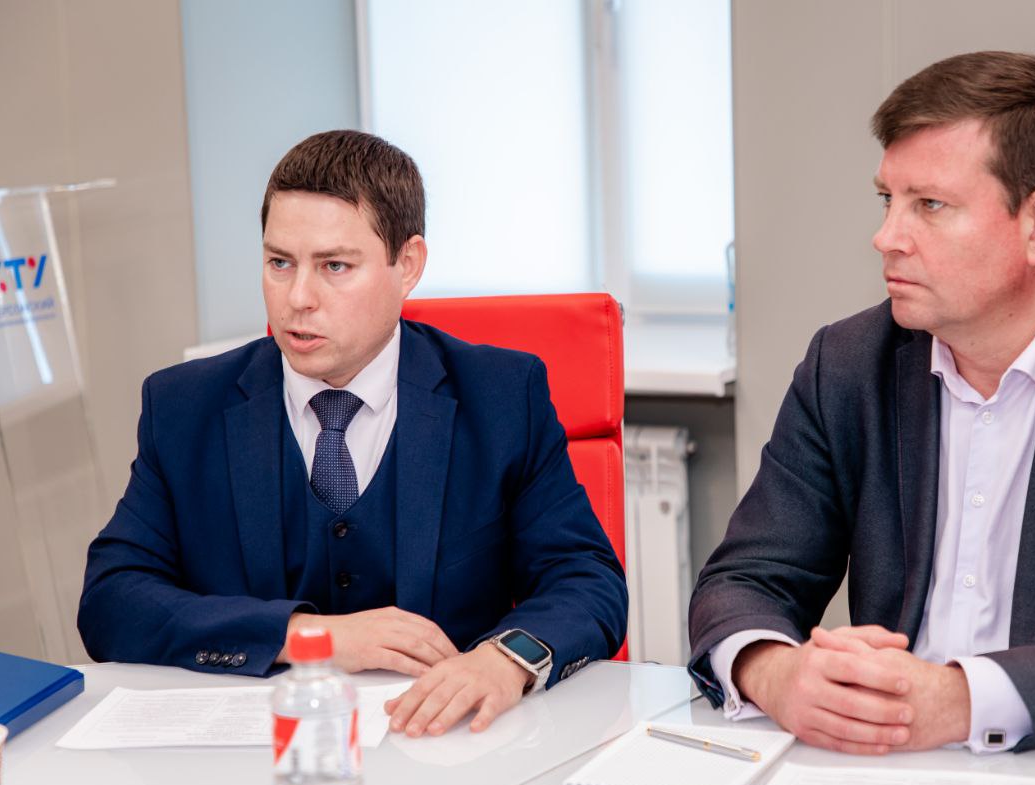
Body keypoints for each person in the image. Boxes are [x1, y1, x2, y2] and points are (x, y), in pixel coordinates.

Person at [688, 51, 1035, 754]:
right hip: (878, 770)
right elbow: (744, 578)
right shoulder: (847, 365)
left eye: (929, 205)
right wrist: (776, 672)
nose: (886, 237)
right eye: (887, 199)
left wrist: (966, 699)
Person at [79, 130, 627, 736]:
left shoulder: (500, 396)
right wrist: (309, 636)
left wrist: (506, 660)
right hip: (254, 752)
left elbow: (587, 579)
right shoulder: (184, 406)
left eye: (334, 266)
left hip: (448, 748)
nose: (298, 298)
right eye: (279, 263)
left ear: (407, 265)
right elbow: (112, 600)